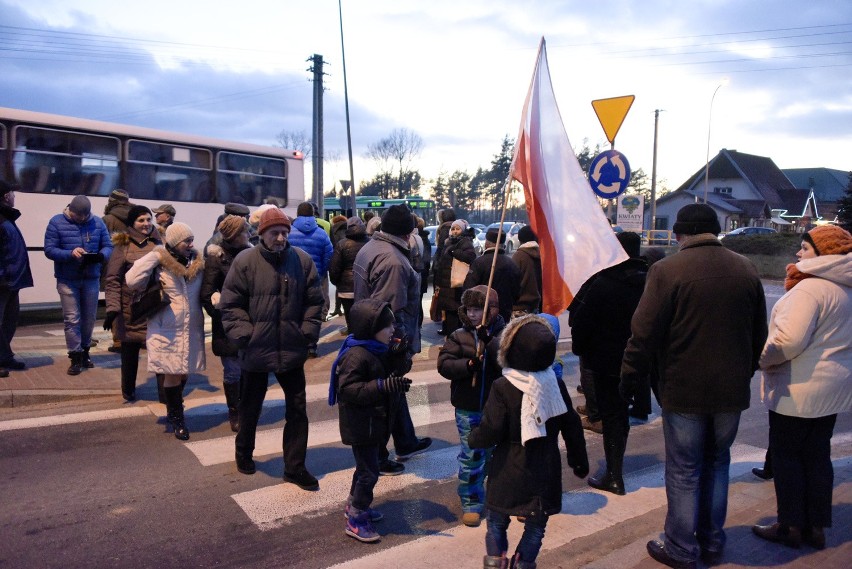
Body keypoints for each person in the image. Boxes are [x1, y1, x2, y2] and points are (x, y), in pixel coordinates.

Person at [620, 203, 768, 568]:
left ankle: (682, 548)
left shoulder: (667, 270)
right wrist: (744, 371)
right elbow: (758, 335)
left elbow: (644, 332)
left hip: (684, 386)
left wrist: (629, 376)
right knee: (718, 464)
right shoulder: (746, 268)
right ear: (717, 230)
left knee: (685, 469)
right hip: (731, 390)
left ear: (678, 234)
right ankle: (713, 542)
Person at [752, 225, 852, 550]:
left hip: (799, 389)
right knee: (817, 457)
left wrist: (764, 360)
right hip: (832, 389)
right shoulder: (845, 289)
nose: (798, 253)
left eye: (805, 249)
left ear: (824, 254)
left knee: (788, 458)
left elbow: (788, 341)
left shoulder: (810, 290)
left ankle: (790, 526)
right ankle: (816, 528)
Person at [469, 314, 589, 569]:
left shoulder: (503, 386)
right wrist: (579, 461)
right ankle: (524, 564)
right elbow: (572, 426)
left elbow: (491, 428)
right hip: (544, 469)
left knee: (497, 520)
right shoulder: (554, 384)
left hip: (508, 469)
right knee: (536, 527)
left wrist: (474, 439)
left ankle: (496, 561)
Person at [220, 207, 323, 490]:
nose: (280, 238)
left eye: (284, 232)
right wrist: (246, 336)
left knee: (298, 410)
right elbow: (229, 305)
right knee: (250, 407)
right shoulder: (245, 261)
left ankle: (295, 467)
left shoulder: (301, 261)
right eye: (274, 232)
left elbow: (315, 301)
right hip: (256, 349)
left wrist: (307, 333)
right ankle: (244, 452)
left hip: (292, 349)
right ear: (262, 234)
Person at [354, 204, 431, 475]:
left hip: (372, 334)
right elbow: (390, 311)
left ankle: (406, 441)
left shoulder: (372, 247)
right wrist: (399, 347)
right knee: (384, 399)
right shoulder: (394, 261)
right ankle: (378, 455)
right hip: (387, 340)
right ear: (408, 232)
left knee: (394, 392)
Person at [569, 231, 647, 496]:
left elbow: (581, 321)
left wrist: (583, 351)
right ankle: (615, 470)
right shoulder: (649, 281)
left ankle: (614, 475)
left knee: (612, 416)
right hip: (639, 360)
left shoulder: (604, 282)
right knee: (621, 414)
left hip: (605, 362)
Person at [329, 299, 412, 543]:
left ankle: (354, 505)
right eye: (387, 327)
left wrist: (400, 356)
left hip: (376, 422)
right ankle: (356, 519)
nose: (392, 331)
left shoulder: (378, 349)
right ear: (370, 328)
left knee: (366, 468)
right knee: (369, 473)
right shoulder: (356, 355)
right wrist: (381, 386)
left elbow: (397, 372)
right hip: (361, 425)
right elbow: (349, 390)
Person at [125, 222, 205, 439]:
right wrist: (156, 255)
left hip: (191, 327)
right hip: (166, 329)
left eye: (191, 239)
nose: (191, 244)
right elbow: (131, 280)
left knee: (184, 371)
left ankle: (173, 406)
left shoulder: (196, 263)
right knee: (173, 372)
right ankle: (177, 418)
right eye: (186, 241)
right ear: (173, 242)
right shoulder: (160, 261)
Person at [437, 285, 506, 528]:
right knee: (472, 455)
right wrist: (467, 365)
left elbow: (509, 361)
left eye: (479, 309)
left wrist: (489, 343)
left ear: (492, 310)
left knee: (492, 453)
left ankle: (488, 486)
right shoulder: (459, 335)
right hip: (468, 408)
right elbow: (444, 364)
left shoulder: (504, 335)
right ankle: (471, 500)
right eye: (470, 309)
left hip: (496, 408)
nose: (474, 314)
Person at [44, 195, 113, 375]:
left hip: (91, 277)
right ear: (70, 210)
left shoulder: (97, 223)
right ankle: (75, 357)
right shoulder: (56, 222)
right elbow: (49, 250)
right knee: (72, 318)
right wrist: (70, 253)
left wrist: (100, 256)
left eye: (85, 215)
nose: (82, 219)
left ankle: (85, 352)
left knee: (89, 318)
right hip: (67, 278)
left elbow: (108, 245)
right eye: (78, 215)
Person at [102, 205, 163, 401]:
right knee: (129, 353)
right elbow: (112, 279)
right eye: (141, 220)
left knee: (160, 352)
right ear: (132, 223)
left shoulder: (159, 243)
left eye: (148, 220)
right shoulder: (123, 244)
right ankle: (128, 390)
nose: (146, 224)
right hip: (130, 309)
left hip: (154, 306)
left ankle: (165, 393)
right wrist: (112, 309)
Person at [201, 215, 252, 432]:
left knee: (249, 369)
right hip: (228, 324)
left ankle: (247, 408)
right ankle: (235, 411)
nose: (249, 234)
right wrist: (221, 313)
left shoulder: (252, 253)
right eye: (244, 231)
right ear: (234, 236)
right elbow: (206, 292)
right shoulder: (216, 257)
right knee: (233, 371)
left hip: (251, 321)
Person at [288, 201, 333, 348]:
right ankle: (311, 344)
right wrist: (320, 272)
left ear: (298, 214)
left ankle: (296, 342)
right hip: (315, 278)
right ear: (313, 214)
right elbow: (329, 255)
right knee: (313, 311)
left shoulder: (289, 233)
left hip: (293, 278)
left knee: (295, 309)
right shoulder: (321, 234)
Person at [0, 180, 33, 377]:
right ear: (5, 196)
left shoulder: (7, 218)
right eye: (12, 193)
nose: (14, 196)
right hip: (4, 281)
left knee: (9, 321)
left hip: (12, 281)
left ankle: (5, 357)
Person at [464, 228, 521, 324]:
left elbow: (469, 288)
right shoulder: (511, 263)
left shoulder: (479, 262)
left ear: (487, 243)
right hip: (505, 311)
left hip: (483, 312)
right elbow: (517, 291)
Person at [101, 189, 132, 353]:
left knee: (115, 302)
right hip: (134, 265)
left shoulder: (107, 220)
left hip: (114, 266)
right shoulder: (136, 217)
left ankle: (119, 340)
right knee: (134, 302)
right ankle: (136, 337)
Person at [434, 219, 477, 336]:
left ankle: (454, 341)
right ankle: (450, 339)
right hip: (446, 285)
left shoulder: (465, 242)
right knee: (448, 315)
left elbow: (471, 257)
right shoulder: (448, 242)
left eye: (457, 229)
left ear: (462, 230)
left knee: (454, 314)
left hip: (456, 287)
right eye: (453, 229)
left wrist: (454, 251)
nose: (454, 231)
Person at [329, 216, 369, 335]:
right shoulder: (370, 242)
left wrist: (337, 282)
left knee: (349, 313)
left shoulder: (342, 244)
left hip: (346, 289)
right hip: (365, 286)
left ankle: (352, 334)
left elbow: (335, 267)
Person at [511, 226, 542, 317]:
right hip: (536, 306)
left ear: (520, 239)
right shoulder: (541, 255)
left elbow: (512, 282)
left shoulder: (519, 256)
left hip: (519, 308)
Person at [328, 214, 349, 318]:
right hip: (349, 260)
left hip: (337, 259)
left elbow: (332, 246)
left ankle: (337, 308)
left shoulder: (333, 230)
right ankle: (344, 310)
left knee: (338, 285)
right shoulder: (349, 229)